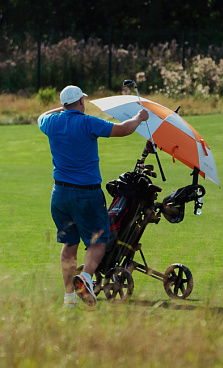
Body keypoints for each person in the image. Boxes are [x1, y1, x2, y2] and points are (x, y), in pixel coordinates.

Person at [39, 85, 149, 308]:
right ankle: (86, 277)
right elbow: (125, 129)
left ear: (63, 105)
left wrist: (61, 109)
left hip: (59, 194)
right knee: (99, 241)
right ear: (81, 101)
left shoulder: (51, 122)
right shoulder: (88, 122)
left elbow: (42, 116)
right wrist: (140, 116)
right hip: (86, 194)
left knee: (69, 244)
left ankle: (69, 298)